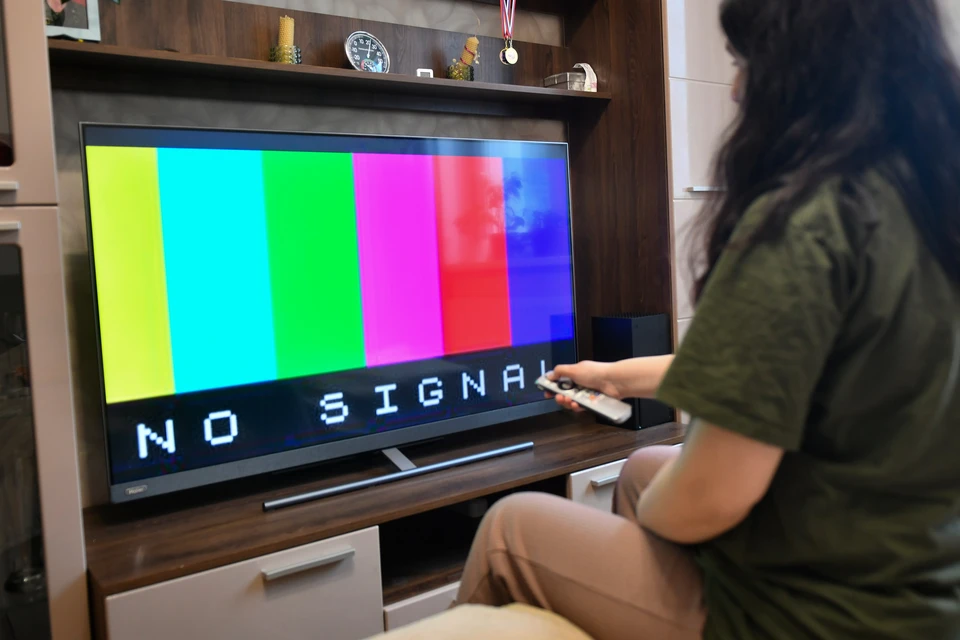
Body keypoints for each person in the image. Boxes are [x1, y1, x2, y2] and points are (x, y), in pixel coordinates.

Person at [453, 0, 960, 638]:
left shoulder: (801, 228)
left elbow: (711, 497)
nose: (738, 88)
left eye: (745, 63)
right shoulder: (921, 201)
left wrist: (665, 521)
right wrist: (613, 377)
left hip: (826, 614)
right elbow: (772, 370)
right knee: (642, 470)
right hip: (923, 574)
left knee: (511, 526)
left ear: (806, 74)